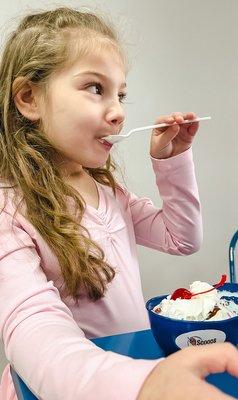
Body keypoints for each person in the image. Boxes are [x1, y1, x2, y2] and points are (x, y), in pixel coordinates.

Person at [0, 6, 237, 400]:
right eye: (96, 88)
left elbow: (182, 239)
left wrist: (171, 161)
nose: (118, 112)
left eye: (121, 94)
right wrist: (141, 384)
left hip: (127, 370)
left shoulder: (110, 193)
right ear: (29, 98)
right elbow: (34, 330)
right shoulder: (9, 210)